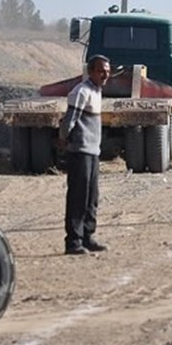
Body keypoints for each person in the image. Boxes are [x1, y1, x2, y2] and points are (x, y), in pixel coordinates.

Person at [58, 54, 111, 254]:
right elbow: (69, 121)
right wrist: (64, 140)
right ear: (91, 72)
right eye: (101, 71)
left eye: (107, 70)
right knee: (78, 198)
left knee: (91, 198)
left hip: (92, 152)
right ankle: (73, 242)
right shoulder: (81, 92)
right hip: (80, 152)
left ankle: (88, 237)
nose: (105, 74)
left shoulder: (96, 92)